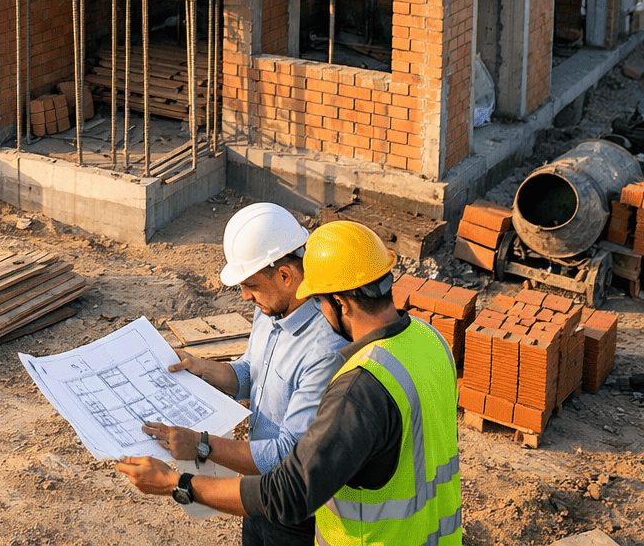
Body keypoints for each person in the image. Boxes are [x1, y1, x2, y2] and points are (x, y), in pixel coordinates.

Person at [119, 220, 462, 546]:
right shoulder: (430, 340)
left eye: (320, 300)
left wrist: (175, 483)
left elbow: (290, 492)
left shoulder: (361, 386)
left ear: (339, 303)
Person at [140, 202, 347, 546]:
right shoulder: (269, 312)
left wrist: (201, 445)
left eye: (250, 284)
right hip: (256, 496)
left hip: (295, 511)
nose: (244, 295)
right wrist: (203, 369)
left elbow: (287, 456)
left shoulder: (323, 348)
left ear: (285, 275)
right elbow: (251, 373)